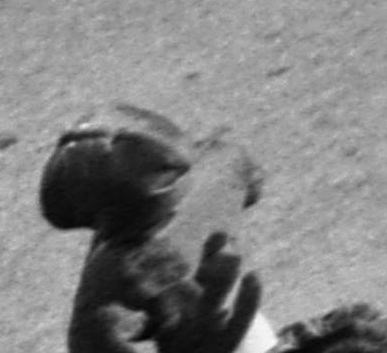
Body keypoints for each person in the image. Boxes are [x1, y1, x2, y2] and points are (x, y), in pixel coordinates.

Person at [37, 106, 263, 353]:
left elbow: (91, 342)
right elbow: (251, 180)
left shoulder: (109, 277)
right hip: (243, 320)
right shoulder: (221, 162)